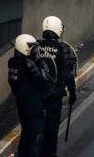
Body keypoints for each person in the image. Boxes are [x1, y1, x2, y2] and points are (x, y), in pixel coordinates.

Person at [36, 16, 78, 157]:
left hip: (38, 95)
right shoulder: (62, 48)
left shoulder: (36, 46)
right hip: (55, 95)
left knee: (37, 127)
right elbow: (67, 74)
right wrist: (72, 92)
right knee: (52, 129)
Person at [9, 33, 54, 157]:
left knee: (26, 134)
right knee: (36, 138)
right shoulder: (29, 65)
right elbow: (44, 81)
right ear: (25, 48)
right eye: (32, 48)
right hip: (34, 107)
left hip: (21, 105)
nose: (35, 51)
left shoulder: (13, 63)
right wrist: (40, 63)